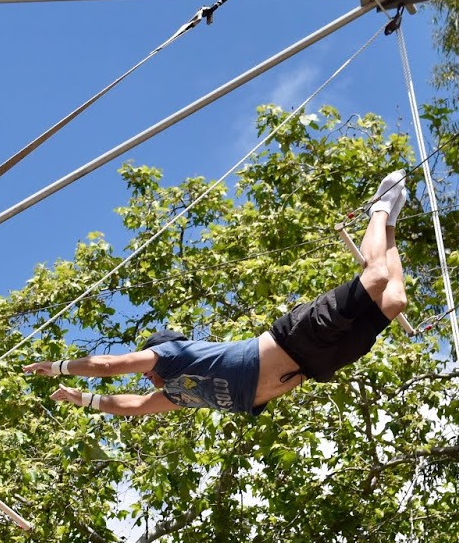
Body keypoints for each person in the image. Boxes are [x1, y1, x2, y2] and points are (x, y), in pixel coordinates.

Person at [24, 171, 410, 416]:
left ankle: (378, 207)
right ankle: (390, 223)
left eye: (149, 373)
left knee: (375, 276)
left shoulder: (172, 357)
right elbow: (134, 407)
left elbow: (108, 366)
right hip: (315, 365)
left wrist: (58, 366)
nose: (148, 381)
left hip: (293, 339)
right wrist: (83, 400)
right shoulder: (178, 393)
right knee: (395, 302)